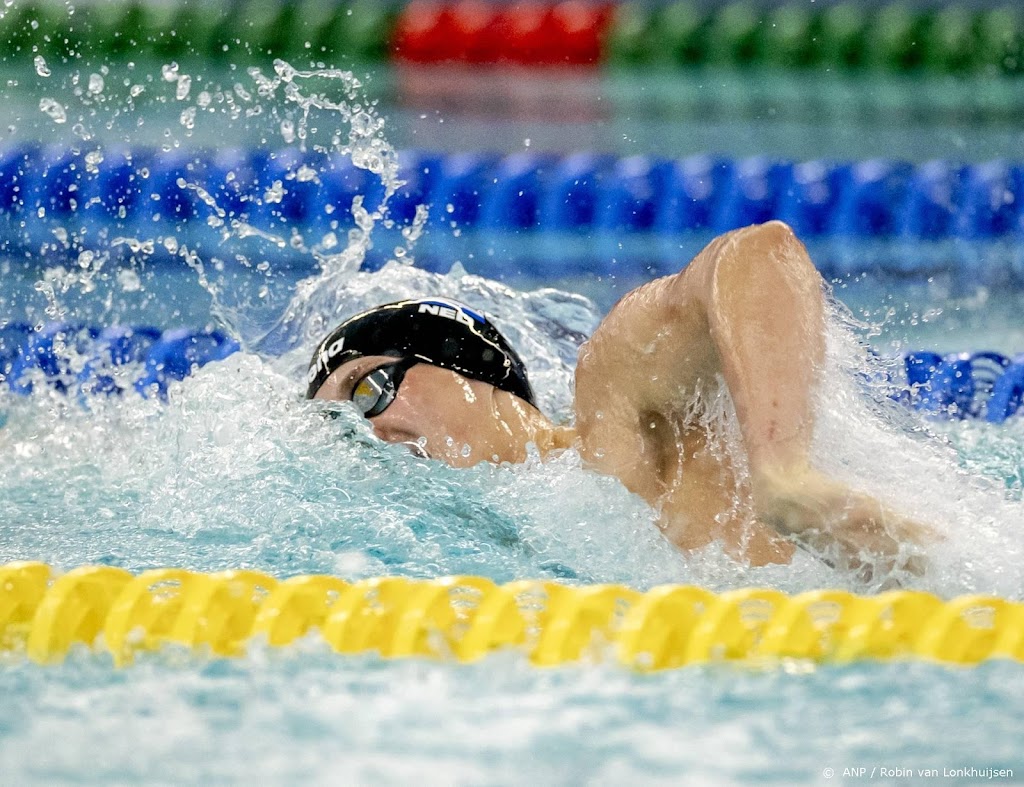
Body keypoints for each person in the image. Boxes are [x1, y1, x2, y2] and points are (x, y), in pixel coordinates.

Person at [306, 221, 934, 580]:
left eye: (367, 389)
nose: (368, 433)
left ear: (468, 366)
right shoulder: (490, 560)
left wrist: (783, 473)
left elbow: (757, 254)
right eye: (338, 426)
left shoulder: (616, 407)